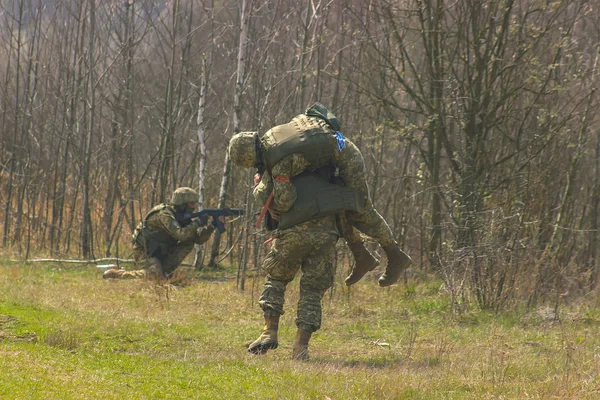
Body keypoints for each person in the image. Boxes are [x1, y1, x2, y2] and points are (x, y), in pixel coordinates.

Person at [228, 102, 411, 287]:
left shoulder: (278, 162)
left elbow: (286, 202)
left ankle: (396, 256)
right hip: (336, 149)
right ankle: (361, 256)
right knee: (337, 206)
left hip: (347, 157)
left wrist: (271, 203)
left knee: (361, 210)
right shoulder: (270, 136)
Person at [103, 187, 216, 281]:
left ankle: (163, 272)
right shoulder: (164, 215)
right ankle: (117, 274)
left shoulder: (181, 217)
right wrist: (197, 222)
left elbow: (197, 239)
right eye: (192, 204)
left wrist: (212, 226)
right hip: (145, 251)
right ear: (182, 203)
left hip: (161, 252)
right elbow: (180, 234)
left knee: (188, 242)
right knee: (155, 277)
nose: (194, 207)